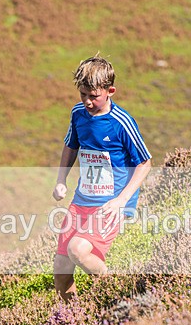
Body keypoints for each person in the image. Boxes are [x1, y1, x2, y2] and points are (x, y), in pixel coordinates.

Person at [52, 54, 152, 302]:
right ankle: (73, 319)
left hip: (110, 204)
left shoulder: (122, 122)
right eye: (83, 94)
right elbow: (70, 146)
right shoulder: (78, 114)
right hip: (82, 200)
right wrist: (61, 180)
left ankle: (114, 293)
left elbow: (145, 163)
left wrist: (121, 201)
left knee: (78, 250)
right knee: (61, 270)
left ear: (110, 91)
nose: (87, 101)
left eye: (93, 96)